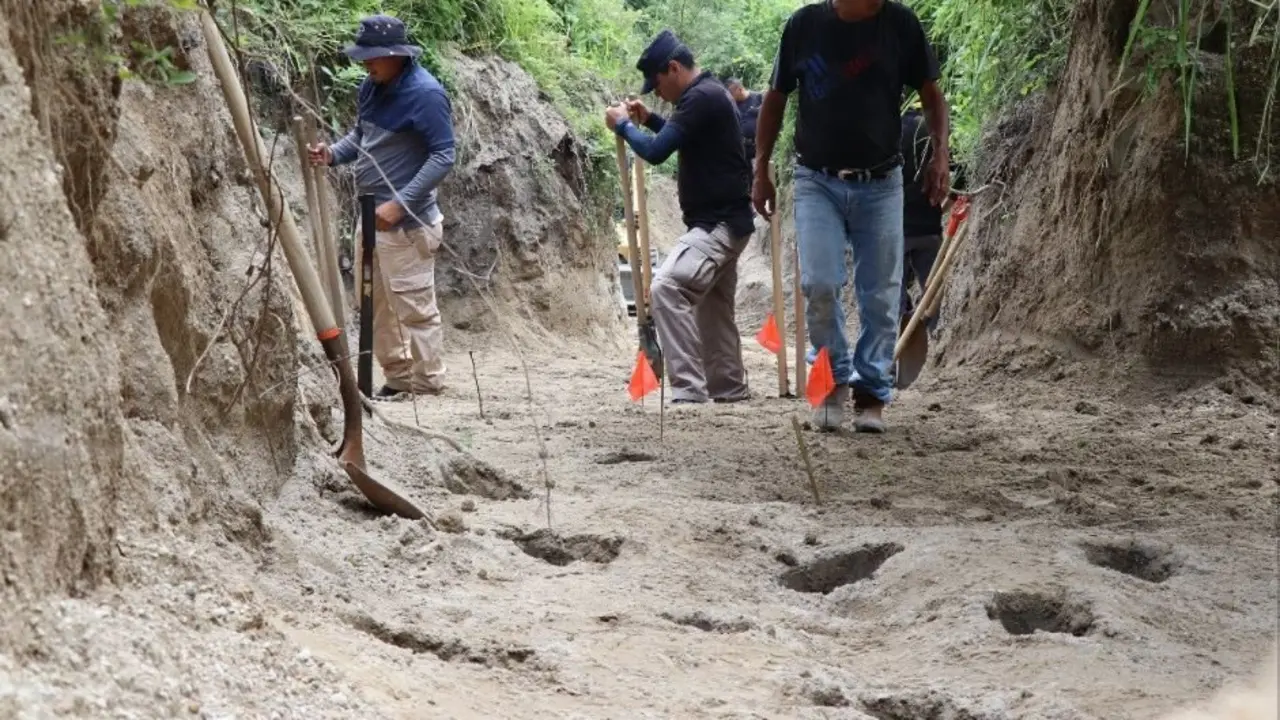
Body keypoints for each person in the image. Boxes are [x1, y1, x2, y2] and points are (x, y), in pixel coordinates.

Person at [753, 0, 951, 433]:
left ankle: (871, 393)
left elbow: (932, 96)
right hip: (815, 179)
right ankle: (832, 380)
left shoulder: (900, 25)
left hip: (881, 182)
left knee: (880, 295)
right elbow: (775, 97)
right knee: (819, 283)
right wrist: (761, 167)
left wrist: (940, 155)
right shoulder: (804, 26)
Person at [309, 14, 455, 399]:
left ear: (397, 54)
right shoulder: (371, 86)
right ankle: (399, 378)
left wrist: (401, 204)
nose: (365, 63)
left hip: (408, 224)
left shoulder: (425, 93)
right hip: (371, 214)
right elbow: (361, 136)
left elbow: (443, 155)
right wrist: (333, 154)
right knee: (375, 305)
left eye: (373, 56)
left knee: (413, 305)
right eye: (364, 56)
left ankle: (427, 382)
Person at [605, 30, 755, 405]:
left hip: (717, 224)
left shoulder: (700, 97)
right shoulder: (708, 94)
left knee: (667, 289)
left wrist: (624, 125)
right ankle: (728, 388)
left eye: (657, 84)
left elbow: (656, 153)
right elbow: (682, 138)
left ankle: (688, 389)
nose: (657, 93)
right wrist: (651, 118)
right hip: (729, 222)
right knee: (713, 309)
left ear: (673, 68)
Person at [726, 78, 763, 167]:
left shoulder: (758, 98)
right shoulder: (732, 105)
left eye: (732, 94)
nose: (731, 97)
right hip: (741, 151)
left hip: (758, 150)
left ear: (740, 89)